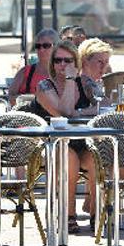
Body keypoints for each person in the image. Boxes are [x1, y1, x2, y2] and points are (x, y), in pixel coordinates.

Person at [33, 40, 99, 233]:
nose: (62, 65)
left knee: (97, 158)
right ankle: (68, 214)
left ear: (77, 63)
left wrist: (83, 111)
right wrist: (70, 81)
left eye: (68, 61)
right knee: (69, 159)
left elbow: (102, 105)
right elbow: (66, 112)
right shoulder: (44, 86)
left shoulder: (86, 83)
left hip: (82, 140)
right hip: (51, 144)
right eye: (58, 60)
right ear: (52, 64)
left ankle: (96, 212)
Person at [7, 28, 57, 106]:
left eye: (46, 45)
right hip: (27, 115)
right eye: (38, 46)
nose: (41, 49)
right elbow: (10, 97)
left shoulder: (62, 72)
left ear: (56, 47)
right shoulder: (25, 72)